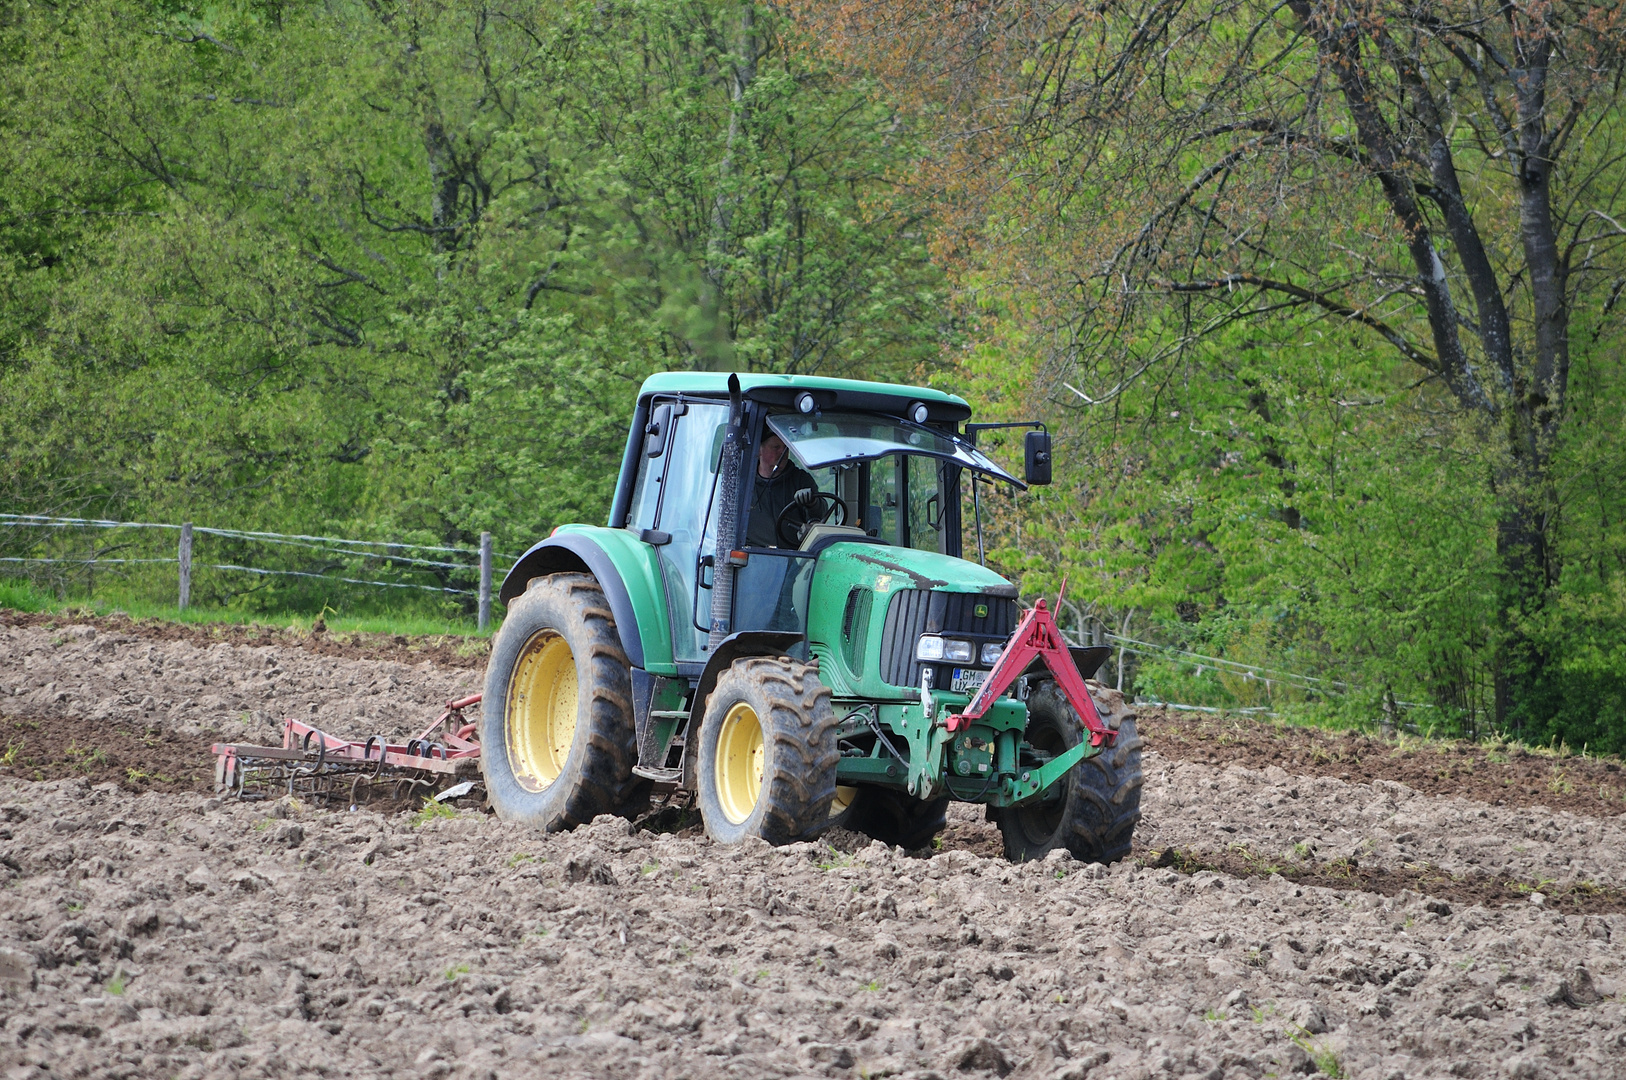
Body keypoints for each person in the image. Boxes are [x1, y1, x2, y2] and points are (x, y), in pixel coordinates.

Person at [745, 430, 819, 548]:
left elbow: (819, 517)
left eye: (786, 447)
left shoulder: (801, 480)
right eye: (776, 447)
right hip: (755, 557)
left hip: (795, 557)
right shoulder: (744, 484)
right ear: (759, 450)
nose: (783, 452)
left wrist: (813, 503)